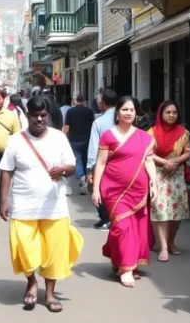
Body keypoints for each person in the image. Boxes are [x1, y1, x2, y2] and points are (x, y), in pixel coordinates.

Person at [0, 96, 83, 313]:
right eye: (34, 115)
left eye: (43, 115)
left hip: (54, 205)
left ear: (48, 116)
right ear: (27, 116)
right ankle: (32, 283)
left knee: (54, 250)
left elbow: (72, 166)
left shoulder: (58, 138)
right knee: (24, 248)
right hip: (23, 203)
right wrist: (3, 201)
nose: (39, 119)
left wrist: (62, 170)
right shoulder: (16, 139)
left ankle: (50, 293)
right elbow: (6, 170)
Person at [92, 96, 158, 288]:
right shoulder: (108, 136)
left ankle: (121, 259)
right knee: (122, 226)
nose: (128, 113)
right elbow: (101, 162)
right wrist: (96, 188)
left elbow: (149, 161)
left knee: (135, 227)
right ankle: (126, 269)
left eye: (131, 110)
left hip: (138, 190)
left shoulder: (144, 137)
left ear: (136, 113)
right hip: (113, 189)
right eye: (124, 110)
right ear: (117, 113)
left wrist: (153, 183)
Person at [147, 101, 190, 262]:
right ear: (161, 114)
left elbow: (188, 151)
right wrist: (165, 162)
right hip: (158, 174)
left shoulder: (183, 132)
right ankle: (164, 246)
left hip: (177, 174)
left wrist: (176, 160)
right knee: (160, 209)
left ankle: (172, 241)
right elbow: (148, 154)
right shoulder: (151, 132)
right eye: (168, 112)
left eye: (174, 112)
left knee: (177, 212)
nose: (172, 115)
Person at [86, 89, 119, 229]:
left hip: (103, 163)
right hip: (122, 163)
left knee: (99, 190)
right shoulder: (123, 119)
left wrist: (90, 170)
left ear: (103, 103)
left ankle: (106, 218)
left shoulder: (98, 122)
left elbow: (94, 147)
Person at [63, 95, 95, 195]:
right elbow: (93, 125)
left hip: (74, 140)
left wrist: (64, 137)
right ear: (83, 101)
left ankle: (81, 177)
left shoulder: (70, 111)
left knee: (77, 159)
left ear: (75, 101)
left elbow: (67, 127)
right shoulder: (89, 111)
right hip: (87, 139)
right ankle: (88, 178)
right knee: (86, 159)